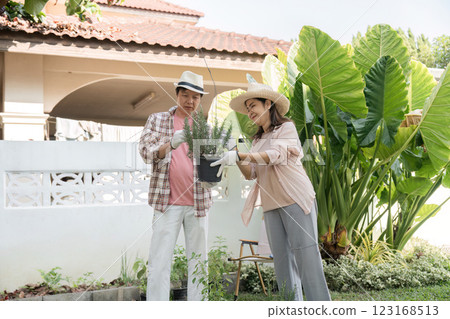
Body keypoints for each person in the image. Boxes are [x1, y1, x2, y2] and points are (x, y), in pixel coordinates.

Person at [211, 83, 331, 301]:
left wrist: (243, 156)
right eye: (247, 108)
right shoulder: (257, 140)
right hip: (272, 205)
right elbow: (251, 173)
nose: (249, 112)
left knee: (307, 258)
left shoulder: (286, 128)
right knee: (282, 264)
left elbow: (275, 155)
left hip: (295, 200)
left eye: (253, 105)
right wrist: (235, 154)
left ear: (269, 104)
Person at [139, 71, 212, 301]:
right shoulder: (158, 119)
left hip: (198, 203)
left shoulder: (205, 127)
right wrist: (171, 143)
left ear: (200, 99)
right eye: (186, 95)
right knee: (160, 261)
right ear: (177, 94)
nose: (190, 102)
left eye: (196, 97)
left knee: (199, 262)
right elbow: (146, 152)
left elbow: (209, 163)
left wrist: (216, 166)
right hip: (167, 202)